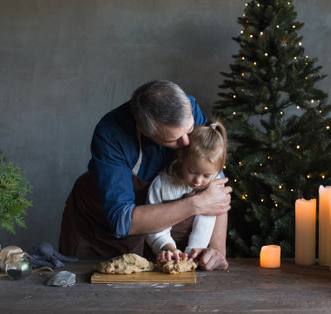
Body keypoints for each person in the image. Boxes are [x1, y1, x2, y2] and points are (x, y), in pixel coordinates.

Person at [59, 80, 232, 270]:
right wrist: (195, 204)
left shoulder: (187, 108)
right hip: (101, 225)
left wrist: (217, 250)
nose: (186, 143)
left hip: (165, 230)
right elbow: (121, 221)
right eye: (174, 139)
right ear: (145, 131)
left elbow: (215, 187)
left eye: (189, 130)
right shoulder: (111, 134)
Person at [146, 121, 227, 263]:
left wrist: (193, 252)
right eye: (192, 172)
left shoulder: (213, 188)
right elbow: (153, 226)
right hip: (160, 252)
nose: (198, 181)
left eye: (206, 175)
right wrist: (168, 248)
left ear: (217, 171)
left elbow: (205, 222)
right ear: (181, 157)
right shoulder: (161, 185)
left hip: (193, 256)